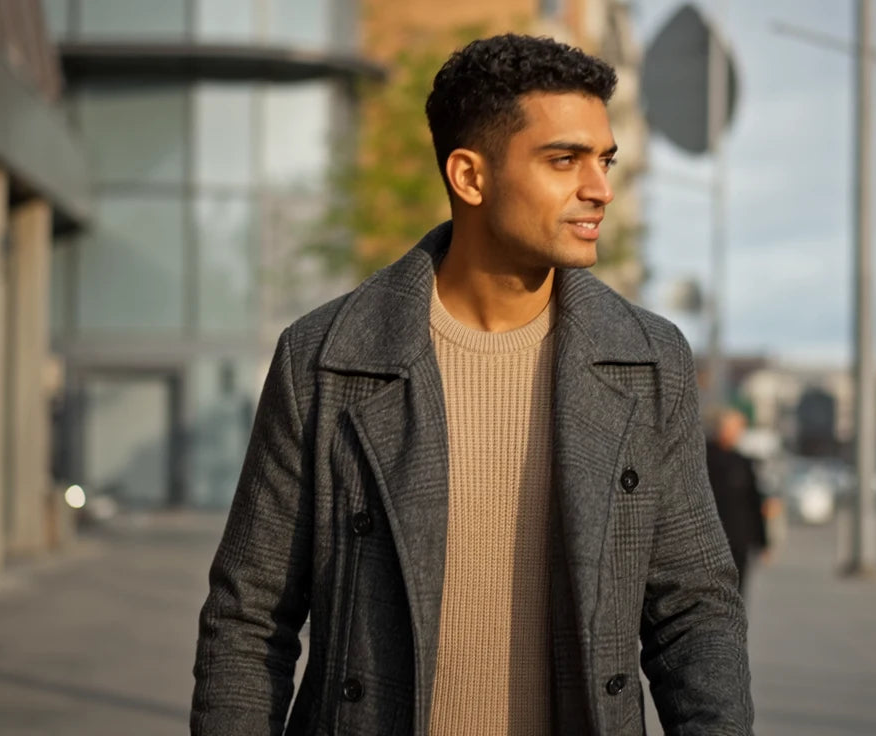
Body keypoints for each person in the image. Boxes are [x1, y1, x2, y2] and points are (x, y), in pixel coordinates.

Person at [191, 33, 753, 736]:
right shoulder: (326, 359)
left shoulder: (647, 360)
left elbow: (694, 611)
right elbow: (247, 619)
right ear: (470, 176)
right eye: (563, 160)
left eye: (604, 160)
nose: (599, 188)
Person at [704, 408, 769, 597]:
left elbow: (754, 502)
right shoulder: (703, 457)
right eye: (731, 428)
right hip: (710, 539)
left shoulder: (743, 462)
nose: (735, 433)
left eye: (738, 428)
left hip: (739, 540)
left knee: (737, 593)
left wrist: (763, 542)